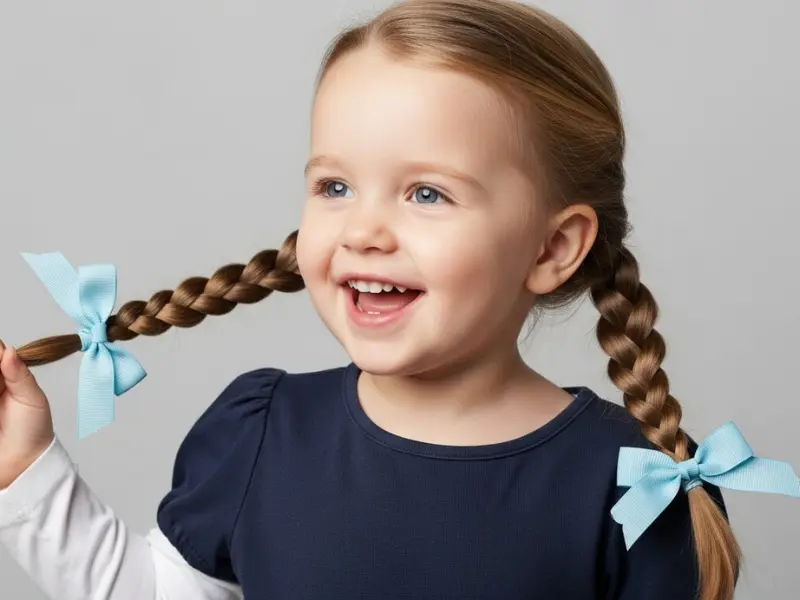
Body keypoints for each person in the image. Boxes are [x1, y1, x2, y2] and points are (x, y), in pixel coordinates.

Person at [1, 1, 798, 599]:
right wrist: (24, 469)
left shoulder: (636, 487)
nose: (363, 230)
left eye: (426, 193)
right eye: (335, 186)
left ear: (553, 248)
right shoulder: (261, 433)